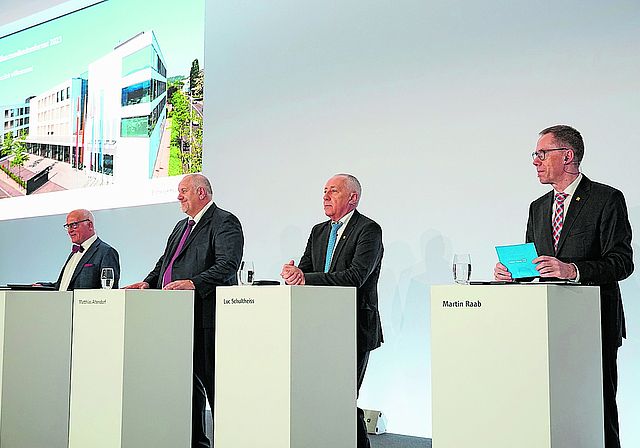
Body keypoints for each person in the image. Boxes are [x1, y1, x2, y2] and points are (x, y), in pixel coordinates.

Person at [494, 125, 633, 448]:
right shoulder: (538, 207)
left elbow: (622, 262)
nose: (535, 161)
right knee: (551, 411)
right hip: (547, 326)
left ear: (567, 156)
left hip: (593, 324)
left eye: (542, 154)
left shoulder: (606, 199)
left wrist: (573, 270)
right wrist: (514, 273)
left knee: (597, 409)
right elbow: (535, 266)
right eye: (536, 155)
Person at [123, 173, 243, 448]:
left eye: (183, 191)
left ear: (201, 193)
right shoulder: (180, 226)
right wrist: (148, 282)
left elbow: (227, 265)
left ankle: (229, 440)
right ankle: (195, 443)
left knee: (214, 387)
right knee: (185, 388)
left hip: (206, 318)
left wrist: (193, 283)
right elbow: (165, 262)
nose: (178, 196)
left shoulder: (224, 221)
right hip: (174, 319)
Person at [281, 173, 383, 448]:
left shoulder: (368, 230)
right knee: (322, 398)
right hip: (318, 326)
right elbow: (307, 269)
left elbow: (355, 277)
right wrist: (294, 274)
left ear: (353, 198)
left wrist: (306, 278)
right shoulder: (319, 230)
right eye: (324, 190)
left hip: (353, 326)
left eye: (333, 191)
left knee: (343, 399)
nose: (325, 196)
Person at [55, 208, 120, 291]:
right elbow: (66, 284)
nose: (70, 230)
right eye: (68, 226)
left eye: (74, 225)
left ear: (89, 225)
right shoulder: (74, 253)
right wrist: (41, 285)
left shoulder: (106, 252)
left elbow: (109, 290)